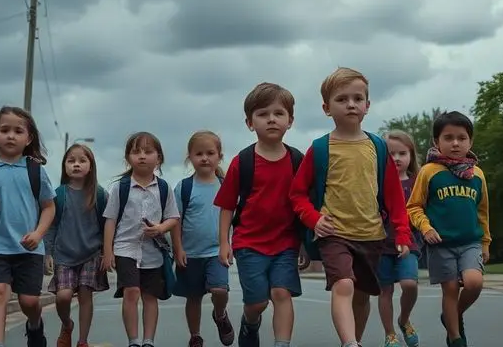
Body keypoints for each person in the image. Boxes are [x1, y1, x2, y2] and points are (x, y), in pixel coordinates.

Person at [289, 67, 411, 347]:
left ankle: (354, 339)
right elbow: (296, 194)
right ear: (326, 108)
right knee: (343, 284)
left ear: (368, 105)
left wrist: (402, 233)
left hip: (371, 234)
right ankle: (350, 343)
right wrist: (313, 219)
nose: (351, 104)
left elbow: (394, 198)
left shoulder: (378, 147)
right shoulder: (320, 148)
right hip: (334, 233)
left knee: (362, 295)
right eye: (342, 99)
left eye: (358, 98)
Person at [214, 83, 304, 347]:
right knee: (257, 303)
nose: (272, 119)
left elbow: (305, 205)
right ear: (250, 123)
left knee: (281, 292)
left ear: (290, 120)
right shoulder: (242, 161)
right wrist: (223, 242)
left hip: (286, 243)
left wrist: (306, 244)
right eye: (263, 114)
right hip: (249, 244)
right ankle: (249, 323)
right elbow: (228, 205)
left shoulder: (298, 160)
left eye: (279, 113)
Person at [0, 106, 56, 347]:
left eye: (18, 131)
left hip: (29, 248)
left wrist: (38, 233)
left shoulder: (35, 171)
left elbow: (49, 207)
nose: (11, 136)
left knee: (29, 301)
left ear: (29, 139)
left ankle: (34, 324)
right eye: (4, 130)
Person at [406, 111, 489, 347]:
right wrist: (426, 227)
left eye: (461, 138)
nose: (455, 143)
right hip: (440, 244)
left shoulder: (478, 175)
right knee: (450, 289)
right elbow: (414, 207)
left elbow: (483, 212)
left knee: (474, 283)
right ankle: (455, 338)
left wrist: (485, 243)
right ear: (436, 142)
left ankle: (452, 315)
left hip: (470, 242)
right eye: (448, 137)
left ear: (470, 141)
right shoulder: (430, 172)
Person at [102, 132, 181, 347]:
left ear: (159, 158)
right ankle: (133, 341)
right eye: (136, 152)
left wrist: (161, 228)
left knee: (150, 296)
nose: (142, 156)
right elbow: (110, 220)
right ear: (128, 158)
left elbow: (174, 217)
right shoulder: (121, 187)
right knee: (132, 291)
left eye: (148, 151)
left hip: (153, 252)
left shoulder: (164, 188)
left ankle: (148, 341)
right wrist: (107, 251)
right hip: (125, 248)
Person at [172, 131, 235, 347]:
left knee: (220, 290)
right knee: (193, 297)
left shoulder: (226, 185)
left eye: (210, 153)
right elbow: (175, 221)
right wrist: (178, 249)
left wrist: (230, 245)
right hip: (190, 254)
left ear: (219, 156)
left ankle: (220, 315)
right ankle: (195, 336)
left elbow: (234, 219)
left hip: (216, 252)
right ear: (190, 157)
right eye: (199, 154)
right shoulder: (184, 187)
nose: (205, 158)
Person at [44, 143, 110, 347]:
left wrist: (108, 252)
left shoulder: (99, 194)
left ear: (91, 166)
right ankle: (67, 324)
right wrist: (48, 253)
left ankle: (82, 341)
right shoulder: (59, 194)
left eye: (82, 160)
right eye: (71, 160)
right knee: (63, 297)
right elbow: (51, 226)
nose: (76, 164)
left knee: (85, 295)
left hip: (91, 254)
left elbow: (108, 224)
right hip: (64, 255)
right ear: (64, 166)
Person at [376, 131, 423, 347]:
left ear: (411, 155)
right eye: (391, 153)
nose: (396, 158)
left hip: (409, 244)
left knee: (409, 284)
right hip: (381, 245)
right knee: (385, 290)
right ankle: (390, 334)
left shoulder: (417, 184)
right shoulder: (376, 183)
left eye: (402, 153)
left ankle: (404, 319)